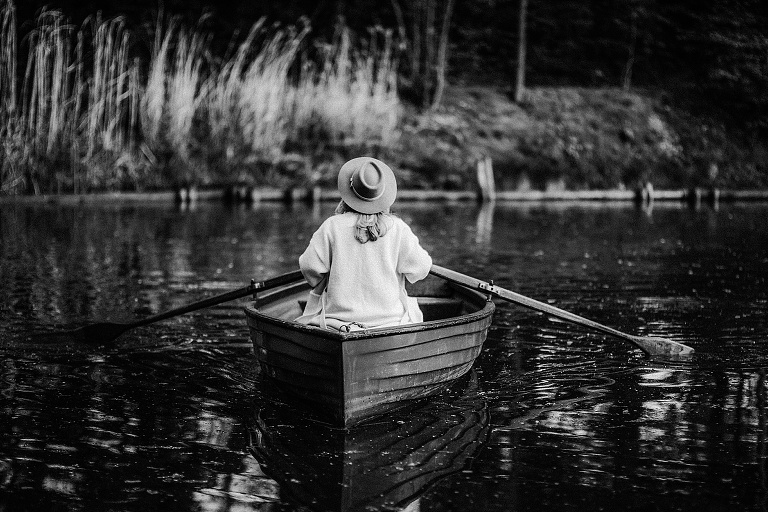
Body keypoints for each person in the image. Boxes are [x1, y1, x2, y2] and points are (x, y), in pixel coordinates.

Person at [296, 157, 432, 332]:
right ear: (382, 195)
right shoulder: (397, 228)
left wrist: (328, 274)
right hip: (390, 323)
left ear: (348, 193)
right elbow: (421, 267)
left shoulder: (332, 226)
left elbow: (309, 267)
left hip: (338, 323)